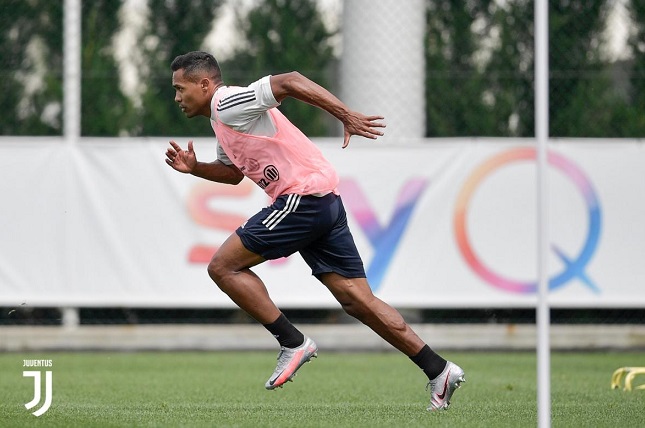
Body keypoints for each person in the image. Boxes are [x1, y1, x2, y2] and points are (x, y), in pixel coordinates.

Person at [165, 51, 465, 411]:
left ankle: (292, 341)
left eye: (181, 89)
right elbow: (232, 174)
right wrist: (196, 168)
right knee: (358, 301)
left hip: (302, 199)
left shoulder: (227, 102)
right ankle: (438, 369)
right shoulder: (223, 120)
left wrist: (346, 115)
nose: (178, 98)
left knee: (223, 266)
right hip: (323, 202)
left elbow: (289, 80)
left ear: (205, 84)